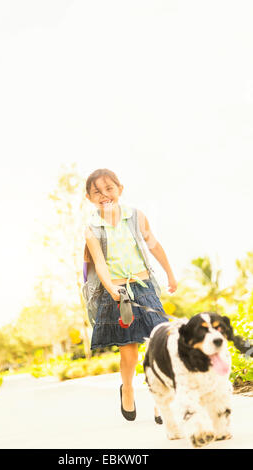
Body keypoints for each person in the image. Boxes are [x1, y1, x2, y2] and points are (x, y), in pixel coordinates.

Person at [84, 168, 177, 421]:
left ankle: (161, 397)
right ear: (89, 197)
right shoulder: (92, 228)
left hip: (144, 286)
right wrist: (112, 289)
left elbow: (153, 244)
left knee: (161, 344)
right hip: (118, 293)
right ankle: (127, 387)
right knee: (129, 351)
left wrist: (169, 273)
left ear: (120, 189)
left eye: (109, 189)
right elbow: (100, 264)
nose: (104, 195)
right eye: (97, 192)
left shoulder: (136, 216)